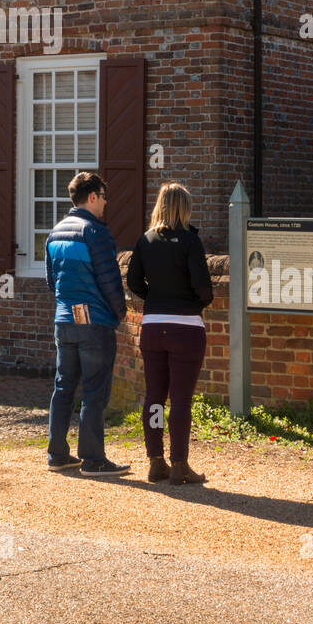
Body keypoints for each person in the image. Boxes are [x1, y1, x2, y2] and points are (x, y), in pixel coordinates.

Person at [44, 171, 131, 478]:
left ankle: (57, 454)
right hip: (93, 322)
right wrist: (120, 312)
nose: (106, 203)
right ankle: (93, 459)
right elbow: (109, 281)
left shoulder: (54, 233)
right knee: (95, 390)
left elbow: (51, 281)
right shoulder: (96, 233)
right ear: (92, 196)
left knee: (63, 386)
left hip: (64, 319)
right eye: (104, 197)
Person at [127, 182, 213, 485]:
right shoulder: (190, 242)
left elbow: (133, 280)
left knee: (154, 397)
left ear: (160, 205)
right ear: (185, 208)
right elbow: (204, 287)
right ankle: (179, 464)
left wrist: (155, 297)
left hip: (152, 326)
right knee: (180, 401)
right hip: (186, 327)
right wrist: (194, 302)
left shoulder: (145, 240)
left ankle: (155, 461)